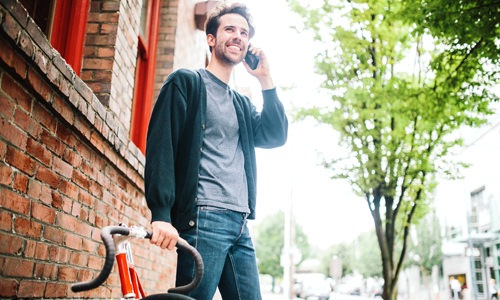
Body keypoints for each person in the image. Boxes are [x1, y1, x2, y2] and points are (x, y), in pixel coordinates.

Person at [144, 3, 288, 300]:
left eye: (244, 32)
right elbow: (162, 147)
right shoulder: (186, 83)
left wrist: (265, 79)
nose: (238, 36)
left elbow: (276, 135)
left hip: (240, 225)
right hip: (204, 218)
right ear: (211, 39)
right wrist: (160, 213)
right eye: (230, 29)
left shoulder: (242, 104)